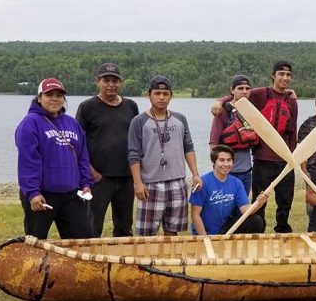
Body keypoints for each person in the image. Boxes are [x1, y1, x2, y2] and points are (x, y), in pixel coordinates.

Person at [211, 60, 298, 233]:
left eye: (288, 75)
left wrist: (293, 158)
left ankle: (282, 231)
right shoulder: (259, 94)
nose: (285, 78)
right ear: (273, 76)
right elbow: (238, 96)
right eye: (281, 74)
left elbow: (292, 131)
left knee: (285, 201)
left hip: (285, 160)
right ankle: (260, 231)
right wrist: (220, 101)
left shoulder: (292, 101)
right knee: (260, 200)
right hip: (261, 159)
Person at [15, 78, 94, 239]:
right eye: (49, 94)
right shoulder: (30, 124)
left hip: (71, 194)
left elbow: (82, 157)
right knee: (36, 242)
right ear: (39, 97)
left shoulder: (72, 123)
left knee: (83, 241)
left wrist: (86, 183)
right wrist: (32, 192)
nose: (54, 99)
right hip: (43, 194)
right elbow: (28, 161)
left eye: (59, 95)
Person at [127, 76, 202, 236]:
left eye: (165, 93)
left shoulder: (180, 119)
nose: (161, 97)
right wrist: (138, 183)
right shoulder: (139, 121)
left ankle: (170, 260)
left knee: (173, 231)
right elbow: (133, 154)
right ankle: (146, 262)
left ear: (171, 96)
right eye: (157, 93)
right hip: (150, 184)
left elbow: (188, 147)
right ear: (149, 95)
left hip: (177, 182)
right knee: (146, 234)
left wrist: (195, 174)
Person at [75, 63, 140, 237]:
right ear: (98, 82)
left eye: (115, 80)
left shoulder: (131, 106)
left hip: (126, 178)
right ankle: (89, 262)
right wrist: (90, 172)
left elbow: (137, 141)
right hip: (98, 178)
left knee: (124, 228)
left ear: (120, 83)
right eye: (106, 80)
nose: (111, 84)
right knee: (92, 226)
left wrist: (137, 174)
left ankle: (122, 262)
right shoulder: (87, 107)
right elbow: (77, 145)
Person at [189, 145, 269, 235]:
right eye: (222, 160)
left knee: (256, 221)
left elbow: (245, 210)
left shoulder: (236, 183)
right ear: (213, 162)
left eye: (229, 160)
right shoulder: (202, 183)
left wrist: (259, 203)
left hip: (225, 230)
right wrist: (205, 238)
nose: (226, 164)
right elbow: (195, 215)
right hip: (206, 232)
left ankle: (243, 248)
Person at [208, 75, 258, 195]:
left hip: (246, 171)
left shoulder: (251, 110)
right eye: (240, 88)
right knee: (226, 208)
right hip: (228, 172)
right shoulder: (223, 111)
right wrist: (218, 169)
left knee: (241, 208)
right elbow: (213, 142)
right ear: (232, 90)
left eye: (247, 88)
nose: (244, 92)